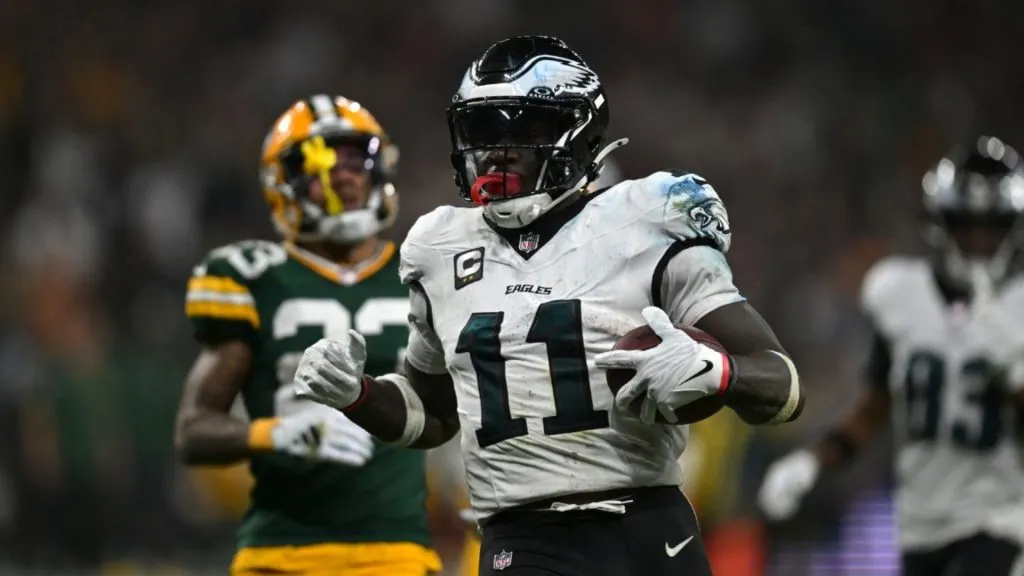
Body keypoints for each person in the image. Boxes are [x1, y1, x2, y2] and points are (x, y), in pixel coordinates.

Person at [294, 36, 804, 576]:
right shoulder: (438, 249)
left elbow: (784, 386)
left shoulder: (649, 218)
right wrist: (358, 394)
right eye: (484, 131)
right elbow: (433, 416)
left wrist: (717, 372)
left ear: (579, 130)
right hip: (523, 541)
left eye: (524, 129)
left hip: (650, 530)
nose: (498, 150)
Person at [174, 94, 441, 576]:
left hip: (395, 552)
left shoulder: (423, 271)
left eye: (355, 159)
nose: (343, 175)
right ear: (283, 183)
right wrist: (277, 433)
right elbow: (193, 432)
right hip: (279, 553)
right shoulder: (252, 276)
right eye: (318, 164)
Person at [757, 136, 1024, 575]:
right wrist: (813, 460)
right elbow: (876, 404)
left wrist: (1012, 369)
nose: (979, 241)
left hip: (1000, 520)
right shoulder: (900, 293)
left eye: (992, 228)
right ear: (942, 224)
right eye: (967, 226)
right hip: (920, 523)